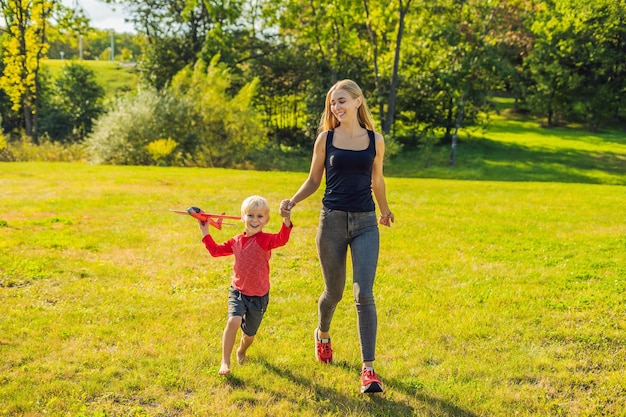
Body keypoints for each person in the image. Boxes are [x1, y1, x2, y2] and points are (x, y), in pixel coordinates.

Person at [280, 79, 394, 394]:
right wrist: (293, 200)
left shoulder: (375, 139)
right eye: (333, 103)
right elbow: (314, 178)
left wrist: (384, 211)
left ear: (358, 101)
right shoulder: (325, 139)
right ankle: (323, 336)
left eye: (342, 100)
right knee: (334, 293)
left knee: (364, 294)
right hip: (330, 222)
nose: (336, 107)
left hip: (365, 223)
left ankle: (368, 370)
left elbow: (377, 180)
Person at [199, 195, 293, 375]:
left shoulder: (265, 240)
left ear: (266, 220)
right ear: (242, 217)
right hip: (238, 291)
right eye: (250, 215)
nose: (254, 220)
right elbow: (216, 251)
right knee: (233, 320)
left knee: (249, 335)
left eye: (259, 216)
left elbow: (282, 238)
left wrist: (286, 219)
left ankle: (241, 350)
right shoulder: (236, 241)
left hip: (258, 296)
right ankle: (225, 362)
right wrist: (205, 232)